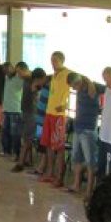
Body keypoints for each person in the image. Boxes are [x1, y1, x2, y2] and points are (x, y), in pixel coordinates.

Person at [40, 52, 71, 185]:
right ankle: (50, 173)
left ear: (62, 61)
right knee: (48, 145)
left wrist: (65, 106)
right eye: (51, 60)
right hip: (49, 113)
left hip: (59, 116)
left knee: (59, 147)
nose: (53, 63)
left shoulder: (68, 73)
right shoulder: (53, 75)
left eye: (55, 61)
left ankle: (59, 177)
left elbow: (82, 80)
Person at [69, 73, 102, 196]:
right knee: (76, 158)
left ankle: (89, 189)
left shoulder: (95, 87)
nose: (73, 89)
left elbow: (110, 90)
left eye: (74, 86)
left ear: (78, 83)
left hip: (88, 129)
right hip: (78, 127)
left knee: (90, 161)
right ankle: (76, 184)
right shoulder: (81, 88)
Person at [12, 67, 46, 173]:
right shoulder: (34, 84)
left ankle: (24, 161)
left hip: (28, 113)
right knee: (27, 140)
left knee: (27, 140)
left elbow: (24, 73)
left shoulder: (28, 81)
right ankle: (23, 162)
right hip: (30, 114)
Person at [1, 62, 25, 160]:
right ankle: (6, 151)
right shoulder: (7, 78)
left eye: (8, 70)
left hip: (16, 110)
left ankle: (17, 154)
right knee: (5, 132)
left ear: (12, 68)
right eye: (5, 71)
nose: (6, 72)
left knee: (15, 134)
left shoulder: (19, 78)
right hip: (6, 109)